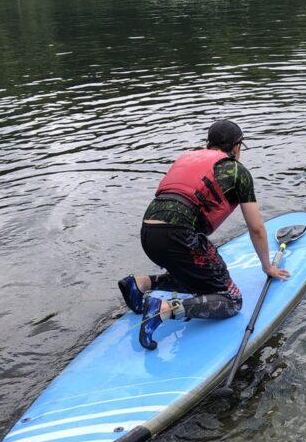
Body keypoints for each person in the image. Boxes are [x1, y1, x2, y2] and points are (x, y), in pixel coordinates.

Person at [119, 120, 289, 351]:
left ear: (207, 144)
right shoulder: (238, 171)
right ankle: (164, 310)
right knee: (231, 299)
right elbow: (256, 228)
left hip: (148, 233)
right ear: (237, 146)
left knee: (199, 279)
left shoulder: (187, 158)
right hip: (179, 235)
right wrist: (267, 267)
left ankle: (140, 283)